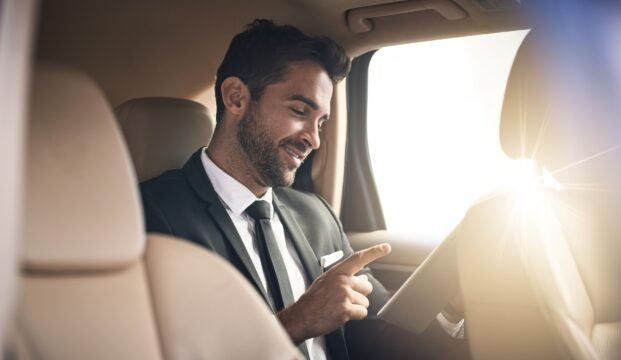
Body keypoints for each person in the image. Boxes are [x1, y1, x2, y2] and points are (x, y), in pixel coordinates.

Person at [140, 19, 464, 360]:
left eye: (321, 122)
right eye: (299, 111)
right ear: (236, 98)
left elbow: (381, 337)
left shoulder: (316, 215)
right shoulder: (150, 216)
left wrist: (453, 305)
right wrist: (295, 323)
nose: (314, 138)